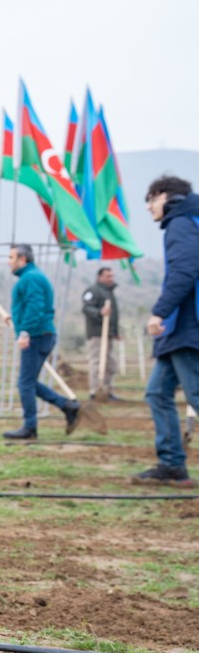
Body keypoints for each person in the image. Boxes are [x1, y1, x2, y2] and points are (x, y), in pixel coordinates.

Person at [139, 175, 199, 487]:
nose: (149, 207)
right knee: (157, 392)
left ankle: (172, 463)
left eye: (150, 199)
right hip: (178, 329)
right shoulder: (188, 220)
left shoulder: (182, 222)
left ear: (165, 196)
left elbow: (186, 270)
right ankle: (172, 465)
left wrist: (159, 311)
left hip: (188, 325)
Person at [2, 244, 81, 440]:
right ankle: (67, 406)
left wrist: (25, 332)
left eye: (11, 257)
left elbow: (35, 307)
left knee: (25, 384)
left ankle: (30, 428)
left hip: (37, 335)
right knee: (28, 382)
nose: (8, 261)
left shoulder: (31, 278)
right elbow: (31, 307)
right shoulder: (31, 277)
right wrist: (16, 320)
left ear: (23, 260)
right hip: (39, 334)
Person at [82, 267, 122, 399]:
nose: (111, 278)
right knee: (97, 362)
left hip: (109, 334)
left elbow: (114, 315)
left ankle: (108, 390)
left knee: (110, 363)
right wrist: (99, 312)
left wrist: (115, 331)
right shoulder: (92, 291)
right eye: (108, 276)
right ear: (100, 277)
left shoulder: (110, 293)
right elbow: (87, 307)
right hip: (97, 334)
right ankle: (94, 391)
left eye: (112, 276)